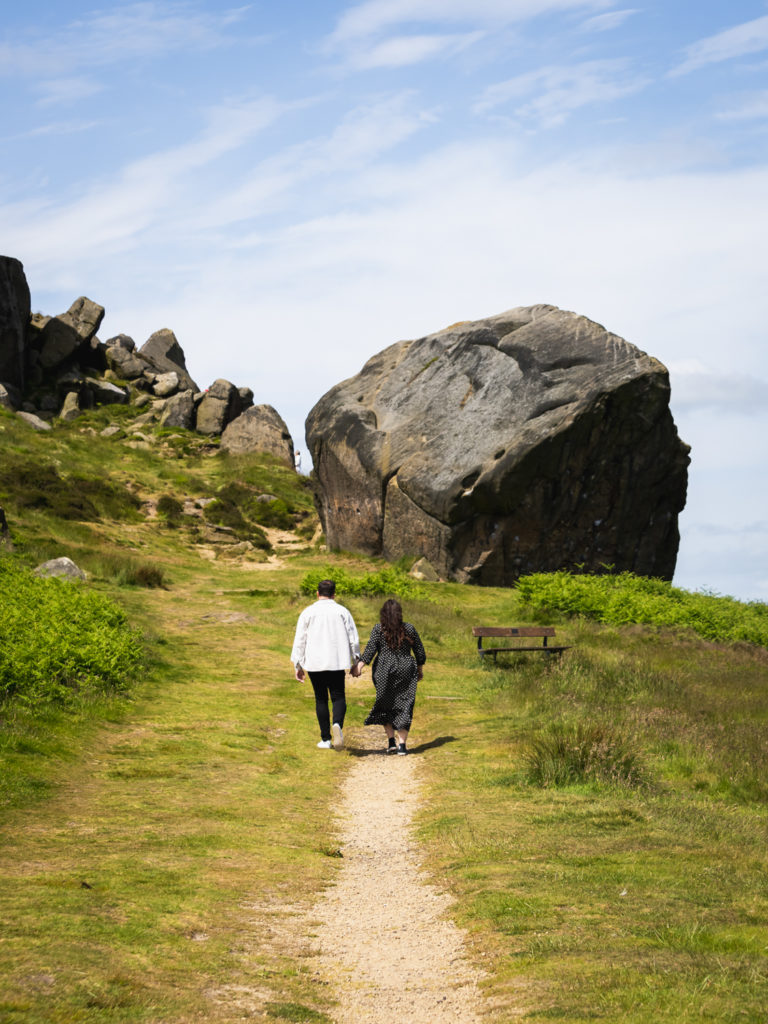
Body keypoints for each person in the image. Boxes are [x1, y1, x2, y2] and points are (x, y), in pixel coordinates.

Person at [291, 579, 360, 750]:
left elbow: (300, 639)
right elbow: (353, 638)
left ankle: (325, 739)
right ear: (334, 594)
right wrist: (356, 661)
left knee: (320, 698)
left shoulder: (308, 612)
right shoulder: (342, 611)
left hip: (314, 662)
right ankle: (337, 724)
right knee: (338, 696)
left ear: (317, 593)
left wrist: (297, 665)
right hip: (337, 661)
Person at [355, 599, 426, 756]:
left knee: (385, 703)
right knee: (405, 704)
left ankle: (391, 742)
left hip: (383, 670)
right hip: (406, 669)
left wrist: (359, 667)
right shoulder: (409, 628)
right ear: (399, 614)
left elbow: (369, 651)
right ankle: (402, 745)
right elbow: (420, 652)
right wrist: (419, 669)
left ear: (383, 614)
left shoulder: (379, 629)